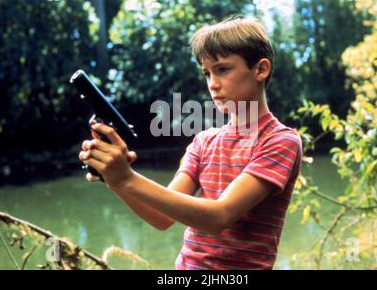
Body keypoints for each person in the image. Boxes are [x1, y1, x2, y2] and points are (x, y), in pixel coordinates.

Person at [78, 17, 302, 270]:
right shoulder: (203, 141)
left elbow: (220, 216)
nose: (212, 84)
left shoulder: (281, 141)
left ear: (260, 69)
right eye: (207, 73)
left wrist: (128, 179)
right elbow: (162, 217)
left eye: (223, 69)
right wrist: (115, 179)